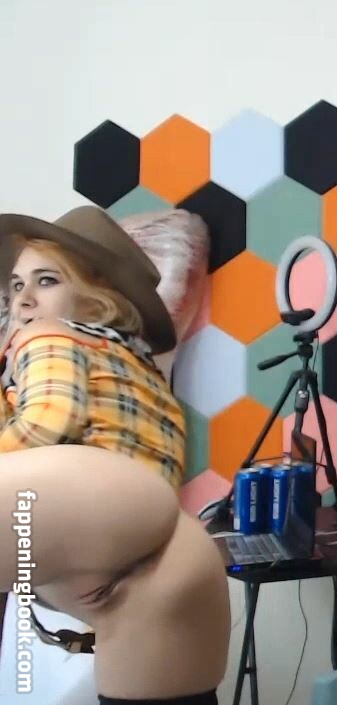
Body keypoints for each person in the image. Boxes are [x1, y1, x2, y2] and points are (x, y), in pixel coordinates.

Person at [0, 205, 229, 703]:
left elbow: (46, 422)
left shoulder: (44, 335)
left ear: (95, 293)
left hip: (89, 500)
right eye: (16, 285)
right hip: (169, 551)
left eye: (46, 280)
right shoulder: (139, 366)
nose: (24, 299)